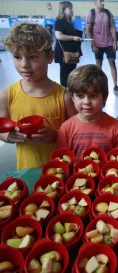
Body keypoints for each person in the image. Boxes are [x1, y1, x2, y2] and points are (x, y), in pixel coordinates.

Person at [0, 22, 76, 170]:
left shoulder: (64, 97)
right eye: (17, 57)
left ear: (50, 56)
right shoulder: (6, 96)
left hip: (62, 171)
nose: (24, 65)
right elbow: (2, 130)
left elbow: (77, 133)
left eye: (32, 57)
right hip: (26, 170)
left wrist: (55, 135)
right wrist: (8, 136)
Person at [57, 64, 118, 161]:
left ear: (105, 98)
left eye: (93, 96)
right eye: (80, 96)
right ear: (72, 98)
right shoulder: (66, 129)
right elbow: (62, 162)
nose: (86, 102)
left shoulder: (117, 127)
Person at [86, 0, 118, 95]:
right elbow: (88, 30)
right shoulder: (90, 14)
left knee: (112, 63)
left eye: (103, 1)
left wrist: (115, 42)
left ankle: (115, 86)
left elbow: (113, 27)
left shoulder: (108, 13)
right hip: (97, 44)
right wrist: (93, 44)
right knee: (98, 65)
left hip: (109, 43)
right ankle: (98, 86)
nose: (102, 3)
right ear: (95, 2)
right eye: (100, 1)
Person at [54, 1, 83, 87]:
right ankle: (64, 94)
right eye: (70, 8)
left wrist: (78, 38)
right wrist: (74, 38)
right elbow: (59, 36)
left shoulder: (69, 22)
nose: (72, 10)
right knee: (65, 76)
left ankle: (70, 92)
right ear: (63, 10)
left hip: (72, 53)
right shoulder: (59, 22)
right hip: (64, 54)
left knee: (72, 74)